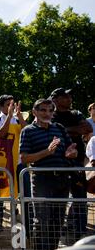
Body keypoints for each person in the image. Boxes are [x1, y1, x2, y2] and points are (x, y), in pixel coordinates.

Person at [19, 98, 77, 250]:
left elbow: (71, 150)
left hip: (62, 179)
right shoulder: (28, 131)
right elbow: (24, 158)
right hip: (41, 180)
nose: (47, 113)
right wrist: (47, 152)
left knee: (57, 222)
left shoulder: (59, 128)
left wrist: (72, 153)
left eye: (51, 110)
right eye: (43, 110)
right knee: (42, 222)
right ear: (34, 112)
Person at [50, 88, 92, 241]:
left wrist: (65, 131)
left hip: (77, 161)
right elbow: (53, 132)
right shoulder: (50, 114)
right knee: (58, 198)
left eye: (69, 96)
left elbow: (88, 128)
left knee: (80, 197)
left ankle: (80, 231)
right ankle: (57, 229)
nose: (69, 98)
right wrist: (75, 130)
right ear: (56, 99)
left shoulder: (76, 113)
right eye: (65, 96)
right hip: (57, 162)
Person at [0, 94, 27, 241]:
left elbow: (27, 132)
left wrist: (19, 116)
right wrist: (9, 117)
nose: (12, 107)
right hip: (2, 164)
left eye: (13, 104)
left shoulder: (18, 118)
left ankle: (26, 232)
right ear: (1, 106)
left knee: (24, 197)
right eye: (8, 104)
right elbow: (2, 134)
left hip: (19, 163)